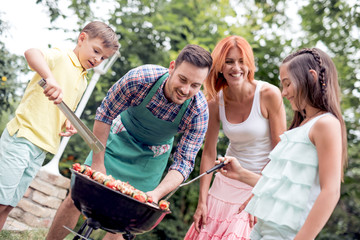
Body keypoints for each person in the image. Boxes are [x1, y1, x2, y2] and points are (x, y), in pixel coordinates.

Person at [45, 44, 213, 240]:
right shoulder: (141, 78)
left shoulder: (198, 111)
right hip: (117, 139)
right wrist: (98, 164)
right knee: (77, 199)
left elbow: (184, 163)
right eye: (183, 79)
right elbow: (105, 114)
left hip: (151, 159)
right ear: (172, 67)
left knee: (122, 221)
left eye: (195, 85)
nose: (185, 90)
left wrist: (156, 194)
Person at [217, 47, 348, 239]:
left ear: (311, 77)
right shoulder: (299, 127)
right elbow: (280, 186)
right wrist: (241, 174)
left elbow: (331, 191)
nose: (284, 93)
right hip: (262, 227)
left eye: (287, 84)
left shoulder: (326, 124)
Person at [0, 21, 119, 231]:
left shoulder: (82, 80)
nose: (97, 59)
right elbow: (31, 53)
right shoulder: (63, 57)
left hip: (41, 148)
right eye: (96, 51)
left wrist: (68, 124)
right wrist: (50, 78)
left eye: (103, 58)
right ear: (82, 39)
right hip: (23, 137)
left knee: (8, 206)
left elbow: (63, 108)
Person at [184, 36, 286, 240]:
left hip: (258, 182)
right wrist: (202, 201)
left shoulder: (269, 94)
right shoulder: (215, 100)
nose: (236, 67)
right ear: (220, 66)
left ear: (249, 63)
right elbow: (209, 152)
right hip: (225, 182)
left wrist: (260, 194)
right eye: (229, 61)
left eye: (241, 61)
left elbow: (280, 153)